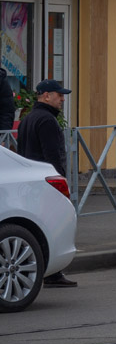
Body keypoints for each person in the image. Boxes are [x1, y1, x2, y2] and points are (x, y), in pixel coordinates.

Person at [16, 79, 77, 288]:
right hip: (47, 183)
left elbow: (21, 152)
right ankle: (53, 273)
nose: (62, 99)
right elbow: (53, 155)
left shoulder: (28, 118)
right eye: (59, 95)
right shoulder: (47, 120)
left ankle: (34, 270)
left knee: (36, 227)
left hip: (30, 181)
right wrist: (60, 180)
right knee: (53, 227)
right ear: (46, 96)